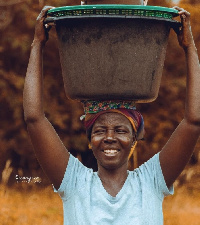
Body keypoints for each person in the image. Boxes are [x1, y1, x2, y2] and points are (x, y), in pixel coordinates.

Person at [23, 2, 200, 225]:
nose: (109, 137)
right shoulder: (75, 183)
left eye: (120, 130)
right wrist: (38, 43)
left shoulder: (151, 182)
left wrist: (189, 47)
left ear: (134, 138)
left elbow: (193, 121)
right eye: (99, 130)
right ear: (89, 140)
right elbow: (34, 119)